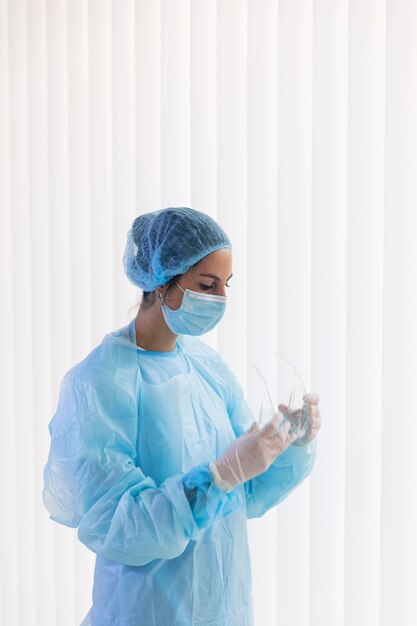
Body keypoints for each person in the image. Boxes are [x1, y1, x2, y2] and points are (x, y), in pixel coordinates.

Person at [42, 207, 321, 626]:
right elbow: (120, 525)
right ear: (160, 282)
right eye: (206, 286)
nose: (221, 300)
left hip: (224, 608)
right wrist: (222, 474)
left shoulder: (207, 369)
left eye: (226, 285)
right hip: (145, 612)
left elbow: (244, 494)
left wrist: (288, 445)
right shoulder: (99, 385)